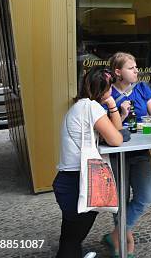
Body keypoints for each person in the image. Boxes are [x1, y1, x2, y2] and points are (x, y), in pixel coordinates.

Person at [53, 66, 123, 258]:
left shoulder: (81, 106)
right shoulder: (90, 107)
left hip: (69, 180)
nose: (112, 92)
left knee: (70, 239)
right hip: (78, 181)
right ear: (103, 89)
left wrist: (111, 105)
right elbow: (116, 139)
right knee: (71, 240)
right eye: (110, 88)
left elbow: (117, 130)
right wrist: (110, 102)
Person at [104, 52, 151, 256]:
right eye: (131, 68)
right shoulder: (106, 94)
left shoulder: (142, 88)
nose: (136, 71)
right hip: (115, 155)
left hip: (140, 152)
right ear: (118, 72)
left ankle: (116, 234)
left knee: (146, 196)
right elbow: (105, 129)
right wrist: (121, 114)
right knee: (119, 202)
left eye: (136, 67)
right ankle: (123, 245)